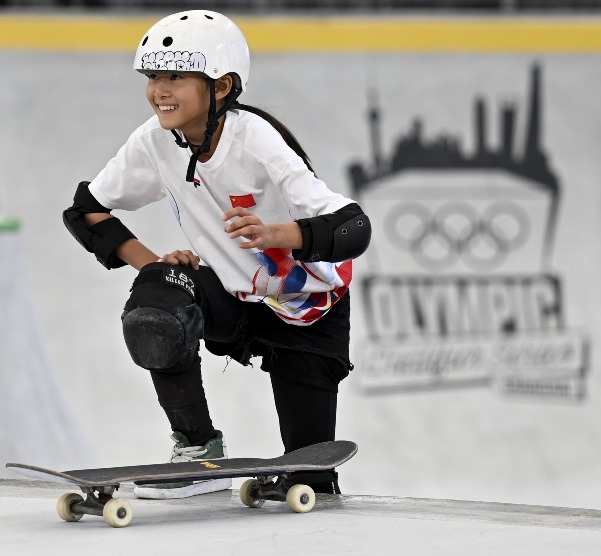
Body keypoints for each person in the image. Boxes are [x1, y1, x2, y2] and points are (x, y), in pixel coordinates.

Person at [62, 10, 370, 500]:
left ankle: (309, 481)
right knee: (156, 302)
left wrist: (278, 232)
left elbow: (353, 227)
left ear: (222, 85)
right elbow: (85, 210)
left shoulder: (258, 141)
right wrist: (156, 264)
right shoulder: (154, 141)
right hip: (232, 296)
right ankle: (199, 450)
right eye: (153, 77)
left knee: (310, 480)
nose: (159, 90)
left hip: (309, 309)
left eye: (176, 77)